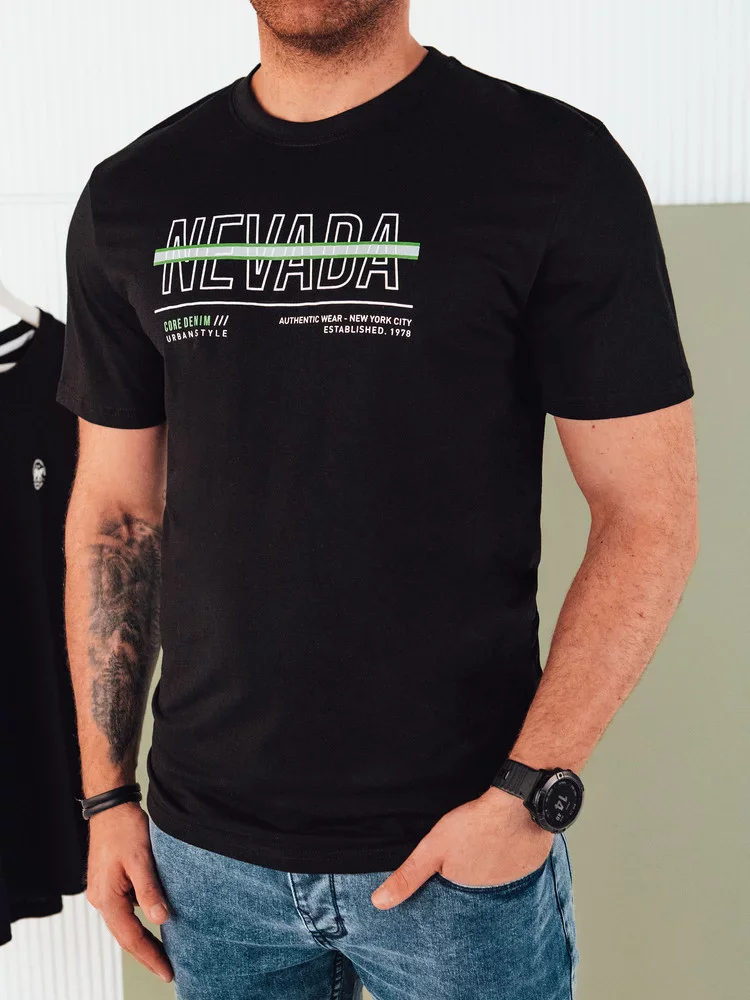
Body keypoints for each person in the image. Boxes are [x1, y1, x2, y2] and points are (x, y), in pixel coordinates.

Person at [56, 2, 698, 997]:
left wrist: (527, 795)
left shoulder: (555, 167)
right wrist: (106, 797)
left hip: (460, 851)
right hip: (202, 862)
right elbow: (117, 516)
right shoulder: (132, 194)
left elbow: (648, 511)